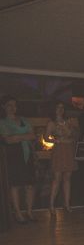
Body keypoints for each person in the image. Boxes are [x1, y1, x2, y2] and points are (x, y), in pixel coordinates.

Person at [0, 95, 36, 223]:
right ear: (4, 106)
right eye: (9, 105)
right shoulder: (2, 122)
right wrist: (24, 136)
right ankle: (18, 214)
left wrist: (17, 136)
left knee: (29, 185)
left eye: (14, 105)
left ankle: (29, 212)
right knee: (15, 185)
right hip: (13, 156)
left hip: (27, 155)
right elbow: (8, 140)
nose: (12, 108)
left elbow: (32, 136)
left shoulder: (24, 120)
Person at [46, 101, 79, 215]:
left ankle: (67, 204)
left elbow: (75, 135)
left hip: (69, 149)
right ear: (54, 109)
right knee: (57, 178)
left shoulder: (69, 122)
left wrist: (72, 133)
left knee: (67, 178)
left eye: (62, 107)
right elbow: (46, 138)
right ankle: (51, 205)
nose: (60, 109)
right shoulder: (52, 123)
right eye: (58, 107)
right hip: (59, 150)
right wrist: (56, 140)